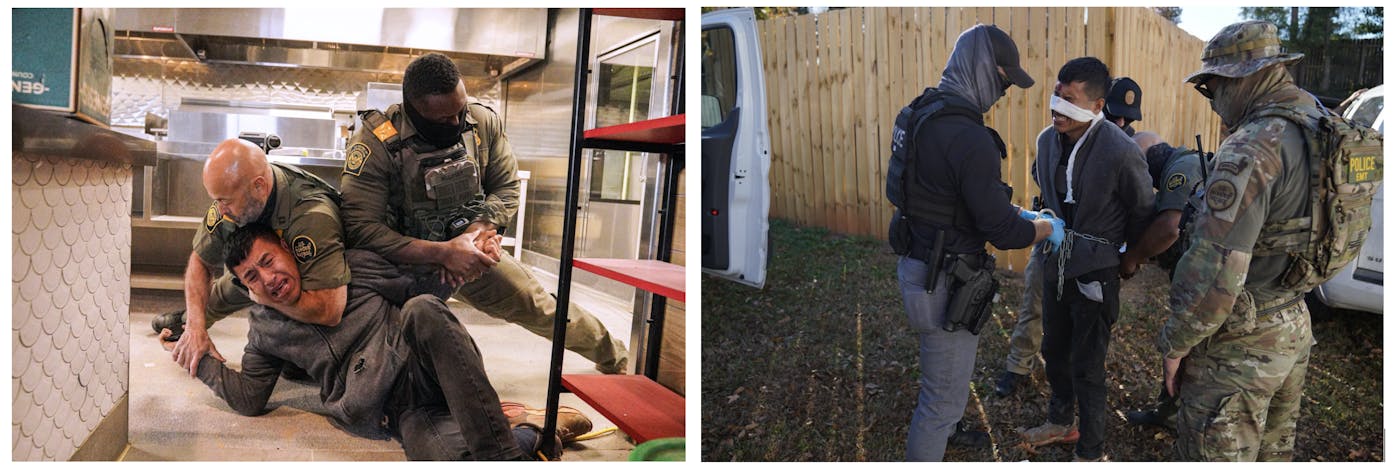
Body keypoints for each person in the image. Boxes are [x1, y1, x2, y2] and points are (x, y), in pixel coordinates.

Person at [178, 222, 591, 460]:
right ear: (246, 287)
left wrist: (468, 250)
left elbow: (428, 285)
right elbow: (250, 397)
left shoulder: (351, 267)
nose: (268, 279)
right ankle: (529, 433)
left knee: (423, 308)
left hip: (428, 364)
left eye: (268, 262)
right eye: (252, 276)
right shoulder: (265, 330)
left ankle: (497, 450)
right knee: (444, 459)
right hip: (400, 410)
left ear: (288, 248)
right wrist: (201, 358)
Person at [1160, 20, 1380, 461]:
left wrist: (1174, 345)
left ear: (1240, 78)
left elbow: (1216, 272)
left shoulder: (1252, 147)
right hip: (1294, 323)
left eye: (1212, 86)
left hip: (1238, 342)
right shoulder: (1324, 126)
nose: (1214, 101)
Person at [339, 53, 629, 374]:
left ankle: (618, 360)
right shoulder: (376, 141)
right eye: (442, 119)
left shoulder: (480, 122)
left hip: (473, 255)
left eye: (459, 111)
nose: (455, 122)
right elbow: (361, 227)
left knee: (541, 307)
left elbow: (505, 186)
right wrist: (443, 253)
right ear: (412, 109)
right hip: (402, 266)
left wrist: (477, 235)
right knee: (375, 343)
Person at [885, 24, 1058, 462]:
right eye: (1002, 80)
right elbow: (1001, 231)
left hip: (917, 265)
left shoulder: (918, 113)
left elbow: (943, 195)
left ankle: (951, 426)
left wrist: (1011, 210)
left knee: (942, 374)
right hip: (946, 282)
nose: (1003, 92)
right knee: (937, 403)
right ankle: (938, 434)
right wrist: (1042, 227)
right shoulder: (970, 137)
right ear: (982, 69)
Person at [1019, 57, 1155, 462]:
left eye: (1071, 100)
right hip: (1054, 261)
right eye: (1057, 96)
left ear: (1098, 106)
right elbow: (1046, 184)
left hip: (1097, 268)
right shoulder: (1047, 140)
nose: (1058, 108)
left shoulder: (1120, 150)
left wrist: (1127, 257)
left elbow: (1143, 207)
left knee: (1089, 364)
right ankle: (1061, 421)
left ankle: (1091, 449)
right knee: (1054, 349)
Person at [995, 75, 1144, 398]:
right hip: (1054, 239)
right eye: (1116, 116)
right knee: (1036, 301)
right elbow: (1041, 174)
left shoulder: (1121, 149)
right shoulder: (1058, 139)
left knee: (1088, 322)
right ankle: (1019, 365)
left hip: (1094, 254)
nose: (1121, 123)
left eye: (1127, 119)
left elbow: (1138, 203)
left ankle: (1078, 377)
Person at [154, 138, 350, 376]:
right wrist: (195, 328)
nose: (220, 209)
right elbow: (200, 259)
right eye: (216, 200)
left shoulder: (311, 214)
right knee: (220, 296)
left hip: (315, 279)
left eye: (225, 201)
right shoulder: (231, 199)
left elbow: (329, 310)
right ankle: (181, 323)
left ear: (259, 186)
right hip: (261, 273)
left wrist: (264, 298)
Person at [1111, 131, 1210, 429]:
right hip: (1204, 272)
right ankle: (1169, 412)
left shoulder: (1179, 170)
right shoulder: (1191, 161)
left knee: (1189, 345)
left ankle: (1183, 418)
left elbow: (1170, 227)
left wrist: (1132, 258)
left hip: (1204, 277)